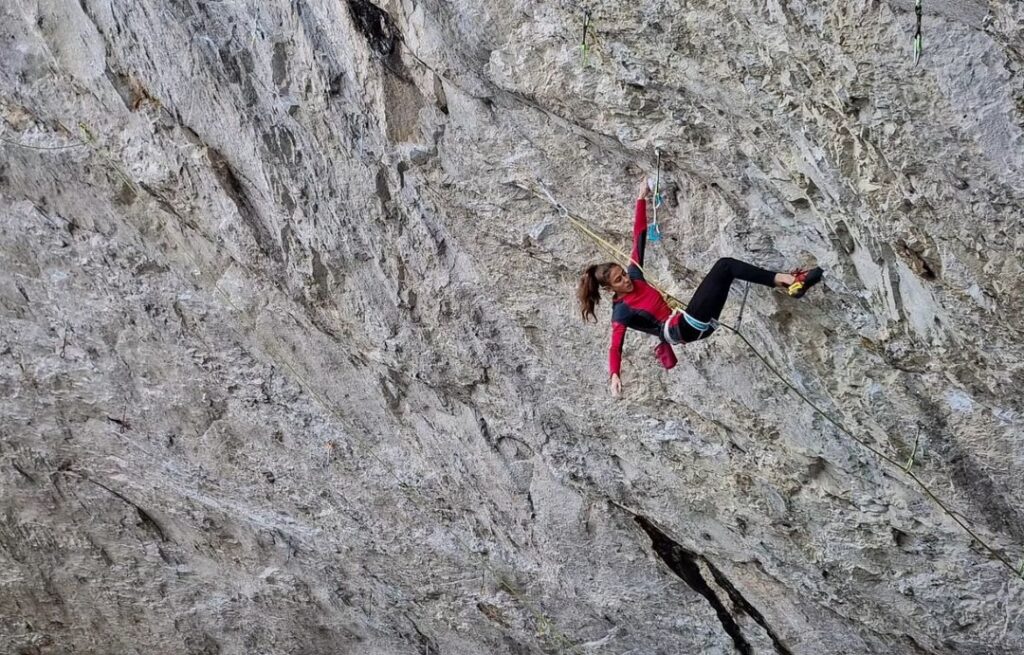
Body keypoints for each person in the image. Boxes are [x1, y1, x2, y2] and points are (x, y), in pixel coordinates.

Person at [577, 178, 823, 397]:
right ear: (610, 289)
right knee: (724, 266)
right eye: (619, 281)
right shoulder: (621, 312)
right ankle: (790, 281)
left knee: (727, 273)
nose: (626, 280)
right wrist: (614, 376)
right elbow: (615, 345)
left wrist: (641, 198)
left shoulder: (635, 274)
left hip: (693, 323)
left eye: (623, 274)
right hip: (682, 329)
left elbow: (638, 236)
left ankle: (792, 284)